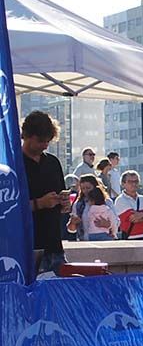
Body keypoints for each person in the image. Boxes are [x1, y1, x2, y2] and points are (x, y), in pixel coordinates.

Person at [22, 111, 72, 274]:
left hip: (54, 246)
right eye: (40, 141)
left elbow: (61, 198)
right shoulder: (14, 165)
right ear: (26, 135)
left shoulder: (52, 162)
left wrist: (64, 203)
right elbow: (8, 209)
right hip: (25, 247)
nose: (44, 145)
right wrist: (39, 203)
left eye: (48, 142)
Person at [113, 170, 143, 240]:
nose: (134, 184)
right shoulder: (120, 200)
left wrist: (142, 215)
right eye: (130, 182)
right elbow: (133, 218)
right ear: (123, 184)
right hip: (129, 239)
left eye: (136, 181)